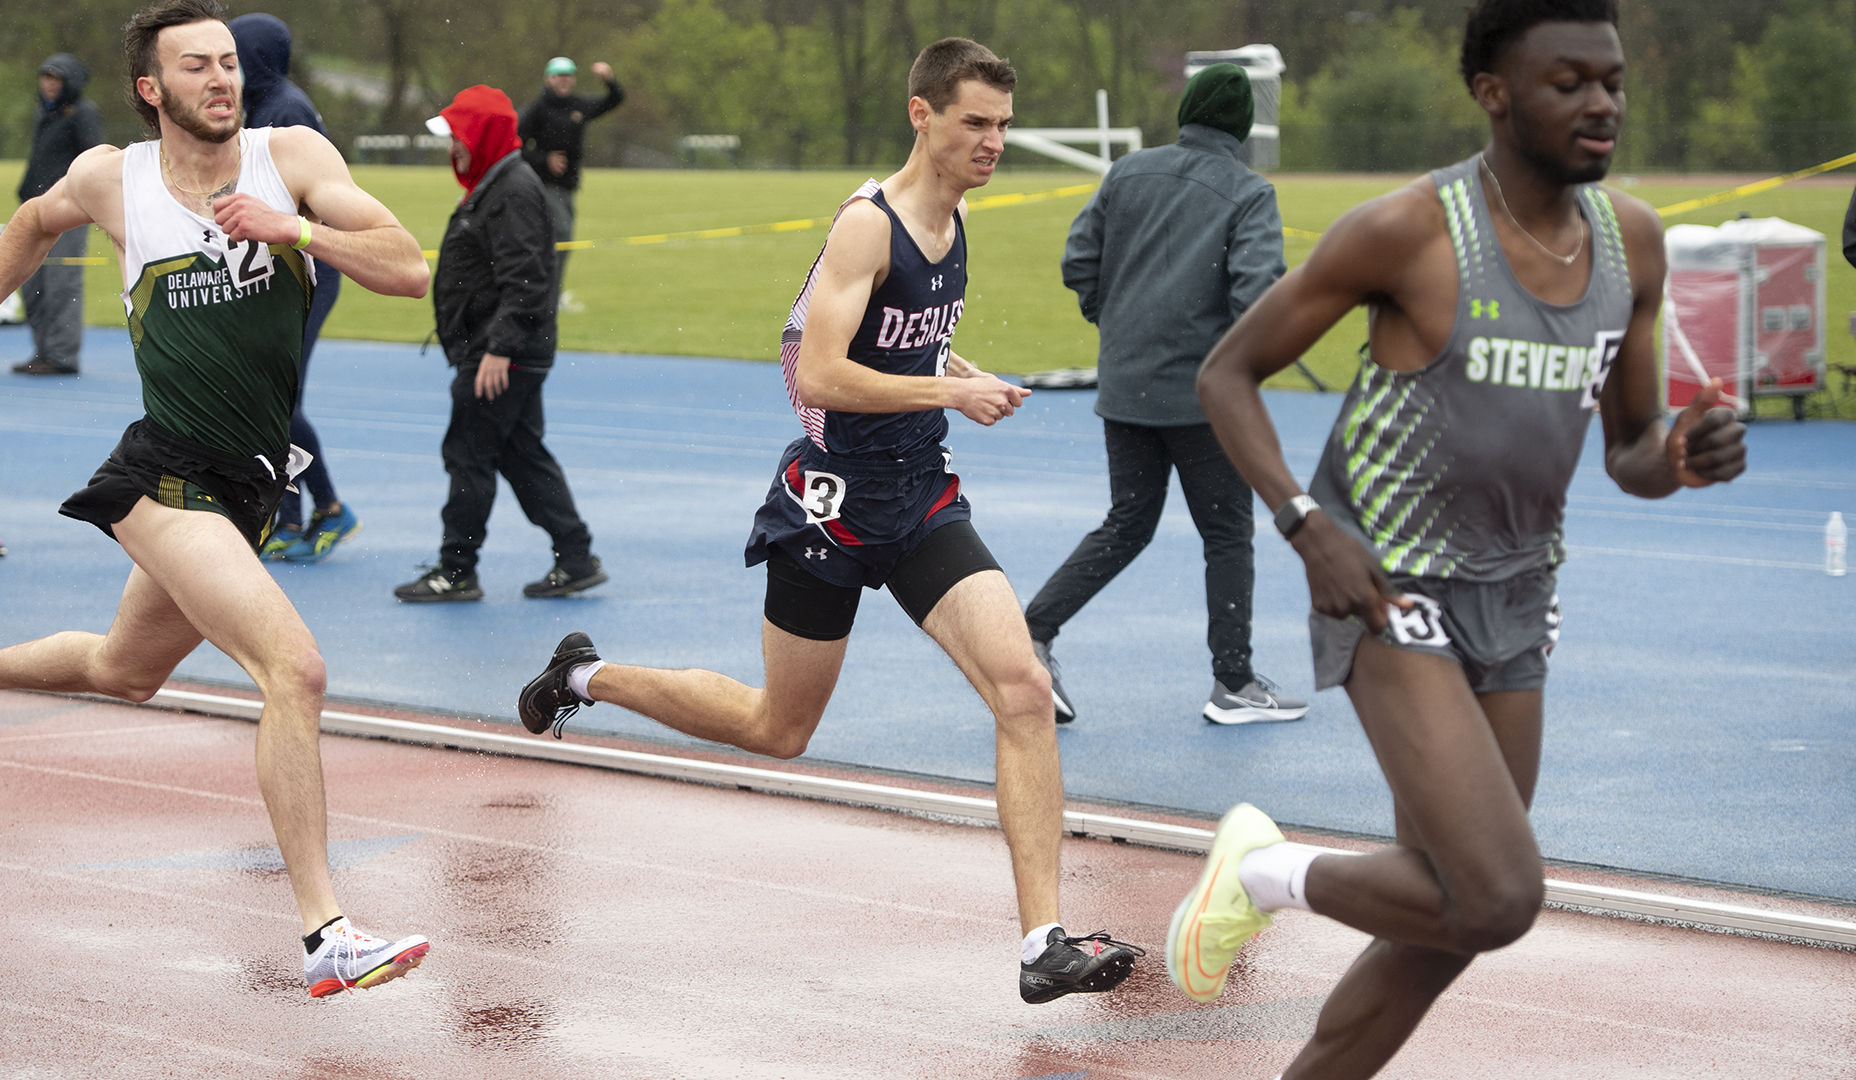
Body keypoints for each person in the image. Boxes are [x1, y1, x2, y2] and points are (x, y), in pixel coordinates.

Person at [1168, 3, 1747, 1077]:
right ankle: (1261, 870)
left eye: (1611, 81)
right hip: (1389, 586)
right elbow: (1225, 375)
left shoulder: (1635, 242)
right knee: (1497, 893)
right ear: (1493, 91)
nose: (1600, 103)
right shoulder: (1410, 232)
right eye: (1566, 81)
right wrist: (1306, 528)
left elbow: (1629, 446)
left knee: (1441, 923)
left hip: (1519, 595)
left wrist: (1681, 456)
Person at [514, 37, 1143, 1004]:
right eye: (975, 122)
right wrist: (944, 387)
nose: (994, 142)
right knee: (779, 728)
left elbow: (901, 338)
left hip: (919, 493)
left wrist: (957, 372)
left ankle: (1042, 945)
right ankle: (584, 675)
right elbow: (819, 373)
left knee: (1020, 686)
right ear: (921, 115)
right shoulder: (869, 225)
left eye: (1004, 125)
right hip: (833, 505)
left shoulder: (957, 216)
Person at [0, 0, 435, 995]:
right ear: (151, 89)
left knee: (126, 670)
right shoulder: (112, 178)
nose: (222, 79)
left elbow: (409, 268)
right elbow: (32, 225)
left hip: (246, 486)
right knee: (295, 671)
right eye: (196, 67)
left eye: (228, 63)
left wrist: (295, 228)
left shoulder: (289, 157)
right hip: (167, 475)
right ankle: (326, 931)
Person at [1023, 62, 1304, 727]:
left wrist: (1116, 327)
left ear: (1186, 112)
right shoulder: (1248, 192)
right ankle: (1233, 682)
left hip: (1125, 390)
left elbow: (1078, 261)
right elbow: (1257, 298)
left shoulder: (1127, 172)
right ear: (1241, 129)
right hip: (1204, 399)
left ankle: (1031, 635)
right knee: (1228, 533)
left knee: (1127, 524)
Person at [394, 85, 603, 602]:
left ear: (482, 136)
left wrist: (499, 349)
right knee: (520, 453)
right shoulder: (496, 183)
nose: (453, 150)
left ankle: (456, 569)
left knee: (468, 454)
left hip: (502, 354)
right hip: (504, 349)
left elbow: (529, 279)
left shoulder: (511, 190)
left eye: (459, 138)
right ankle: (576, 556)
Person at [229, 13, 359, 563]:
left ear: (255, 57)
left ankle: (329, 508)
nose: (224, 68)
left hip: (305, 271)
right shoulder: (266, 104)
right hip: (280, 270)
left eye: (232, 56)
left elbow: (291, 203)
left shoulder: (285, 110)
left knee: (277, 400)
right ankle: (288, 514)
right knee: (271, 398)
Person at [12, 53, 104, 376]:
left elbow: (94, 161)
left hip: (67, 213)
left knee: (61, 284)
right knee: (31, 284)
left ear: (70, 82)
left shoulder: (83, 113)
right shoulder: (45, 112)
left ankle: (62, 355)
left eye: (56, 78)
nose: (49, 84)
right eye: (45, 77)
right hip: (35, 209)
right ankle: (44, 351)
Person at [517, 56, 622, 289]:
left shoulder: (578, 106)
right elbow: (517, 145)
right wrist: (545, 159)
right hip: (542, 184)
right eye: (559, 76)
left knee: (559, 238)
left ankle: (549, 291)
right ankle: (550, 293)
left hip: (568, 184)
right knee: (561, 235)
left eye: (568, 76)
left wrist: (609, 80)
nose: (564, 81)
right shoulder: (537, 109)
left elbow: (615, 100)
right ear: (548, 79)